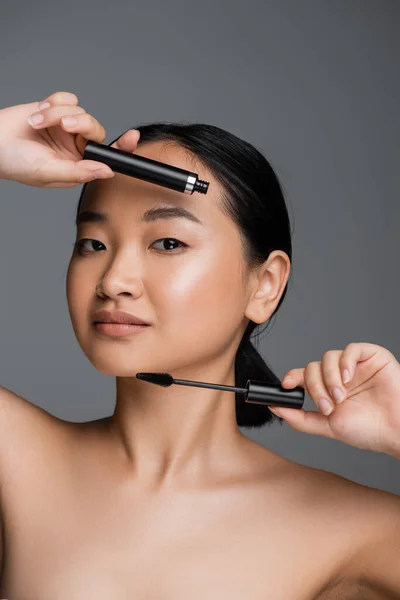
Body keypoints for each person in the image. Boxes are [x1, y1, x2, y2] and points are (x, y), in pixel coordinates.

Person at [0, 90, 399, 599]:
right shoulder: (15, 460)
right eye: (92, 244)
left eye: (168, 242)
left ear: (265, 285)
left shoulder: (359, 529)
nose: (115, 279)